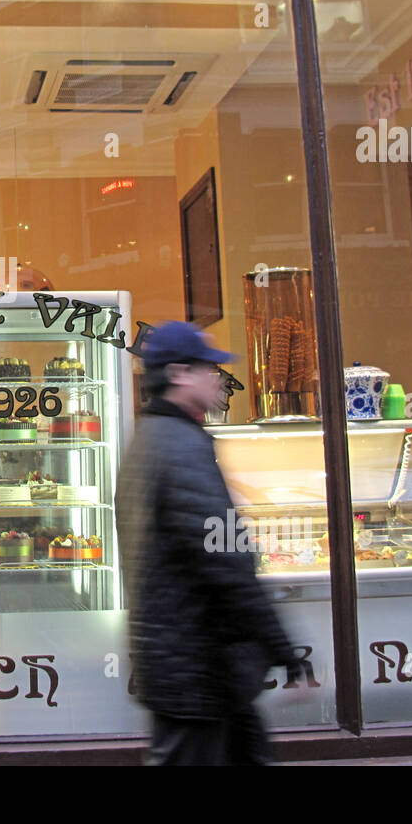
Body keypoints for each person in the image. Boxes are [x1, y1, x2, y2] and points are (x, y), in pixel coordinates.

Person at [114, 321, 304, 766]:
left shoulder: (150, 441)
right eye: (210, 368)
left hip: (187, 663)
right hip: (198, 668)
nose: (218, 377)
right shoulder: (182, 448)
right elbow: (225, 562)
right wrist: (282, 649)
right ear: (180, 373)